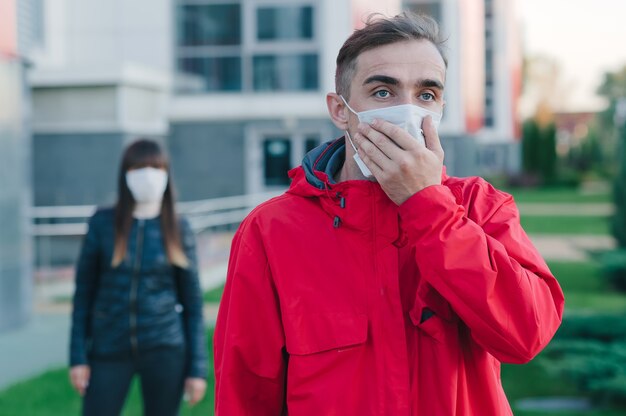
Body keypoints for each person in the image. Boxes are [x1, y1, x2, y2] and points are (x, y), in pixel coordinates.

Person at [214, 12, 564, 416]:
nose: (408, 112)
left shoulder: (481, 208)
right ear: (340, 110)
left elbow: (525, 334)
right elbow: (246, 392)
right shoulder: (271, 231)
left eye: (426, 95)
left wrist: (428, 205)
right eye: (383, 92)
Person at [69, 139, 207, 416]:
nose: (147, 175)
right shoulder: (102, 222)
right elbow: (83, 293)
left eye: (155, 167)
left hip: (165, 348)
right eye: (138, 167)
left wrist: (197, 369)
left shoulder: (179, 228)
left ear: (166, 173)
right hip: (109, 348)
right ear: (125, 174)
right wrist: (78, 357)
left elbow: (193, 306)